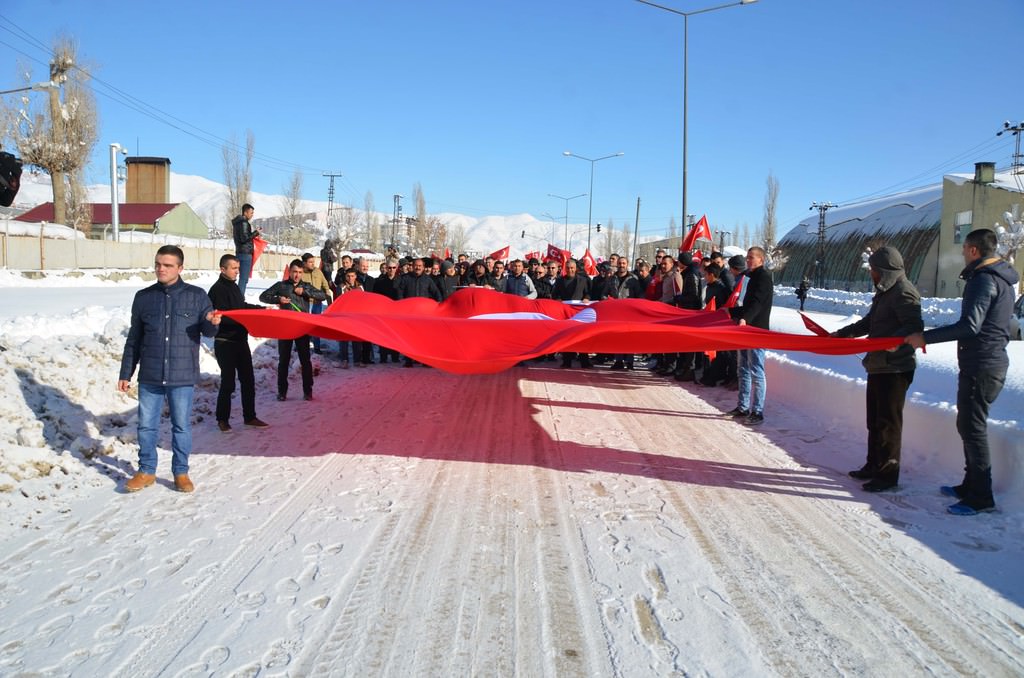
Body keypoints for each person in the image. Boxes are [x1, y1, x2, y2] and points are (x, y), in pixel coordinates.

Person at [905, 228, 1019, 515]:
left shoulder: (984, 280)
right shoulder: (998, 278)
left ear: (972, 250)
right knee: (968, 425)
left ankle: (981, 497)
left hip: (983, 364)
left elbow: (970, 325)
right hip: (982, 362)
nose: (961, 254)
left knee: (973, 427)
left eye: (963, 248)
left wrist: (924, 338)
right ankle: (971, 485)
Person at [118, 245, 221, 493]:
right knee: (146, 425)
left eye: (167, 265)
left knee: (181, 426)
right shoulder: (144, 297)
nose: (161, 269)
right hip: (151, 374)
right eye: (158, 264)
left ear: (180, 268)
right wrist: (125, 373)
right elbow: (134, 338)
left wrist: (213, 323)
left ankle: (181, 472)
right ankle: (146, 471)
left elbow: (207, 332)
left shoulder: (197, 296)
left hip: (181, 374)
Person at [832, 247, 923, 492]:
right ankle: (874, 464)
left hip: (895, 369)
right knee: (874, 420)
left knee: (888, 424)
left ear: (884, 271)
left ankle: (888, 475)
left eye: (873, 270)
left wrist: (893, 342)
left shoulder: (904, 292)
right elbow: (869, 322)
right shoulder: (885, 292)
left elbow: (914, 326)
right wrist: (843, 334)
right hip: (879, 365)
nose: (871, 274)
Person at [208, 254, 270, 433]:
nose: (237, 271)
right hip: (225, 342)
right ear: (223, 269)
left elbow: (241, 307)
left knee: (248, 380)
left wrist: (261, 310)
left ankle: (249, 416)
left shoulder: (234, 287)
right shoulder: (217, 290)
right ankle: (222, 419)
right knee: (228, 382)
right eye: (234, 268)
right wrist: (245, 320)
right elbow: (223, 316)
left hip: (240, 341)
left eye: (238, 268)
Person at [260, 259, 327, 401]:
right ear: (289, 272)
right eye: (294, 272)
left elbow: (322, 295)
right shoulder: (282, 285)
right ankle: (282, 392)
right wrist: (278, 299)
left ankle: (308, 391)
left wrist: (305, 292)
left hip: (302, 327)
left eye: (300, 272)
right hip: (285, 327)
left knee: (305, 360)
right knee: (283, 361)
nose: (297, 275)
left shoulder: (306, 286)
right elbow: (263, 296)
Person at [724, 247, 773, 425]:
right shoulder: (752, 278)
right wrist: (730, 311)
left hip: (757, 331)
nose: (748, 260)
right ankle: (743, 407)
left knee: (757, 372)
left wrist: (745, 318)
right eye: (748, 257)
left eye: (752, 257)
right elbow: (748, 304)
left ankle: (757, 411)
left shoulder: (764, 278)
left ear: (761, 259)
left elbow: (757, 304)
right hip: (746, 328)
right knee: (742, 368)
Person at [301, 253, 333, 354]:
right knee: (304, 326)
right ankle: (301, 345)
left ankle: (317, 347)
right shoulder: (300, 272)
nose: (312, 264)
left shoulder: (318, 271)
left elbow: (325, 285)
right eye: (310, 262)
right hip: (306, 303)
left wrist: (329, 300)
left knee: (316, 326)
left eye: (313, 262)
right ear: (304, 263)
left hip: (317, 303)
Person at [231, 203, 260, 296]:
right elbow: (244, 238)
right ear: (245, 212)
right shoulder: (244, 223)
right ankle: (239, 298)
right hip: (245, 253)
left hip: (239, 252)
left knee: (238, 277)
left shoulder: (237, 223)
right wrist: (256, 233)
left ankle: (236, 296)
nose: (252, 215)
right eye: (251, 213)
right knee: (243, 278)